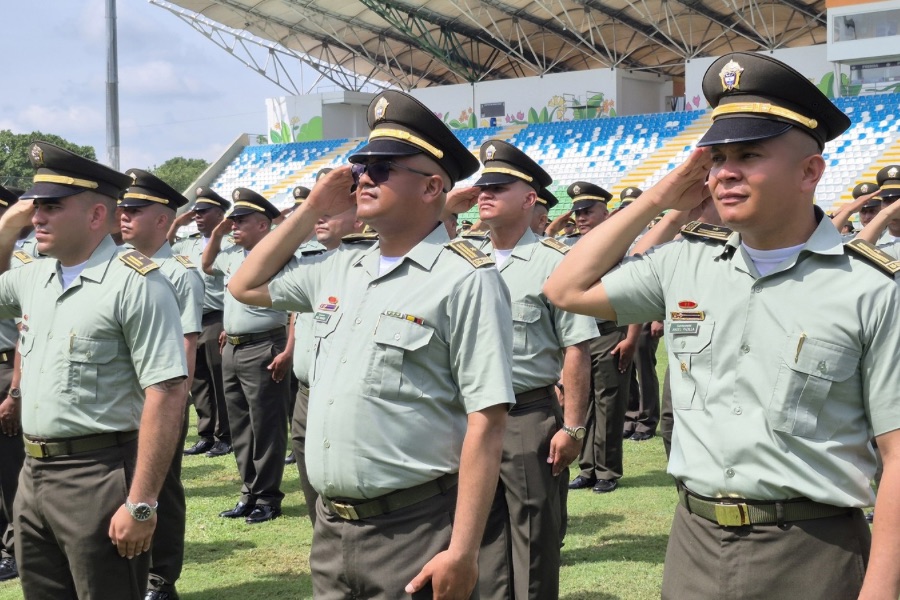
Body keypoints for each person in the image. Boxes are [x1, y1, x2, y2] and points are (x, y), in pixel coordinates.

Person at [545, 52, 900, 599]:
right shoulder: (684, 260)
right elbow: (566, 288)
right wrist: (664, 198)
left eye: (750, 154)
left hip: (813, 552)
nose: (724, 172)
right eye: (717, 157)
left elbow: (898, 456)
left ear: (810, 171)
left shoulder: (872, 287)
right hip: (694, 543)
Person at [227, 89, 514, 599]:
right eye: (362, 167)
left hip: (417, 526)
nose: (363, 177)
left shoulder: (465, 279)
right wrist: (314, 204)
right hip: (332, 528)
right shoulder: (341, 265)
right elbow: (245, 284)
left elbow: (486, 421)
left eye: (382, 169)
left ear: (431, 187)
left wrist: (464, 549)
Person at [0, 141, 188, 599]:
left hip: (99, 474)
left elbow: (166, 391)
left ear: (96, 216)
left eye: (51, 206)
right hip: (35, 474)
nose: (37, 217)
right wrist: (7, 225)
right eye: (35, 207)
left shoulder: (136, 283)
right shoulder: (36, 276)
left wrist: (141, 504)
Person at [471, 140, 594, 599]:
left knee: (534, 538)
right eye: (482, 186)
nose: (485, 194)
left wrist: (574, 428)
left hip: (525, 416)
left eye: (498, 187)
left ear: (529, 200)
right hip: (468, 419)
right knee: (479, 536)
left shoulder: (554, 263)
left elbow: (576, 350)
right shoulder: (462, 261)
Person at [119, 169, 204, 600]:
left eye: (135, 211)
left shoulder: (178, 272)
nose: (124, 218)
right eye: (122, 209)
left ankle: (161, 577)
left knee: (161, 488)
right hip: (122, 399)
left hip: (161, 399)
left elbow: (187, 343)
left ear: (163, 219)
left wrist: (178, 405)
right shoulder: (120, 269)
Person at [202, 188, 292, 524]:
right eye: (233, 220)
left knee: (266, 425)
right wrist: (216, 234)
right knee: (241, 425)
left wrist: (287, 350)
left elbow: (297, 310)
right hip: (233, 347)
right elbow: (207, 264)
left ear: (263, 225)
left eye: (241, 221)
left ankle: (268, 498)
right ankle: (248, 492)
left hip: (264, 346)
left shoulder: (279, 257)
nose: (234, 225)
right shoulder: (232, 256)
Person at [288, 183, 365, 525]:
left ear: (359, 220)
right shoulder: (311, 265)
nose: (319, 219)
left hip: (344, 392)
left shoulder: (367, 269)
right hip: (306, 392)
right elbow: (247, 282)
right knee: (310, 480)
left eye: (329, 214)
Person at [564, 181, 636, 494]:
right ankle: (587, 468)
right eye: (577, 212)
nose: (581, 217)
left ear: (605, 214)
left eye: (588, 211)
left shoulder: (617, 248)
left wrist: (631, 338)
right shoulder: (568, 247)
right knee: (583, 403)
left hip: (609, 330)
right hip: (579, 333)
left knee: (608, 402)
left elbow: (635, 293)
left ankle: (607, 471)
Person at [170, 187, 233, 458]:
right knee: (199, 382)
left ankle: (225, 435)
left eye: (203, 212)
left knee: (220, 381)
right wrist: (175, 223)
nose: (197, 216)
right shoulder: (189, 243)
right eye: (195, 212)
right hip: (191, 318)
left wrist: (229, 324)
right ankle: (206, 434)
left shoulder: (230, 243)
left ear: (220, 214)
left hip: (217, 317)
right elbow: (160, 247)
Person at [0, 186, 25, 583]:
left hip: (6, 368)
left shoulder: (20, 264)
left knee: (11, 468)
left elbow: (28, 330)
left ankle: (15, 548)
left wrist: (15, 390)